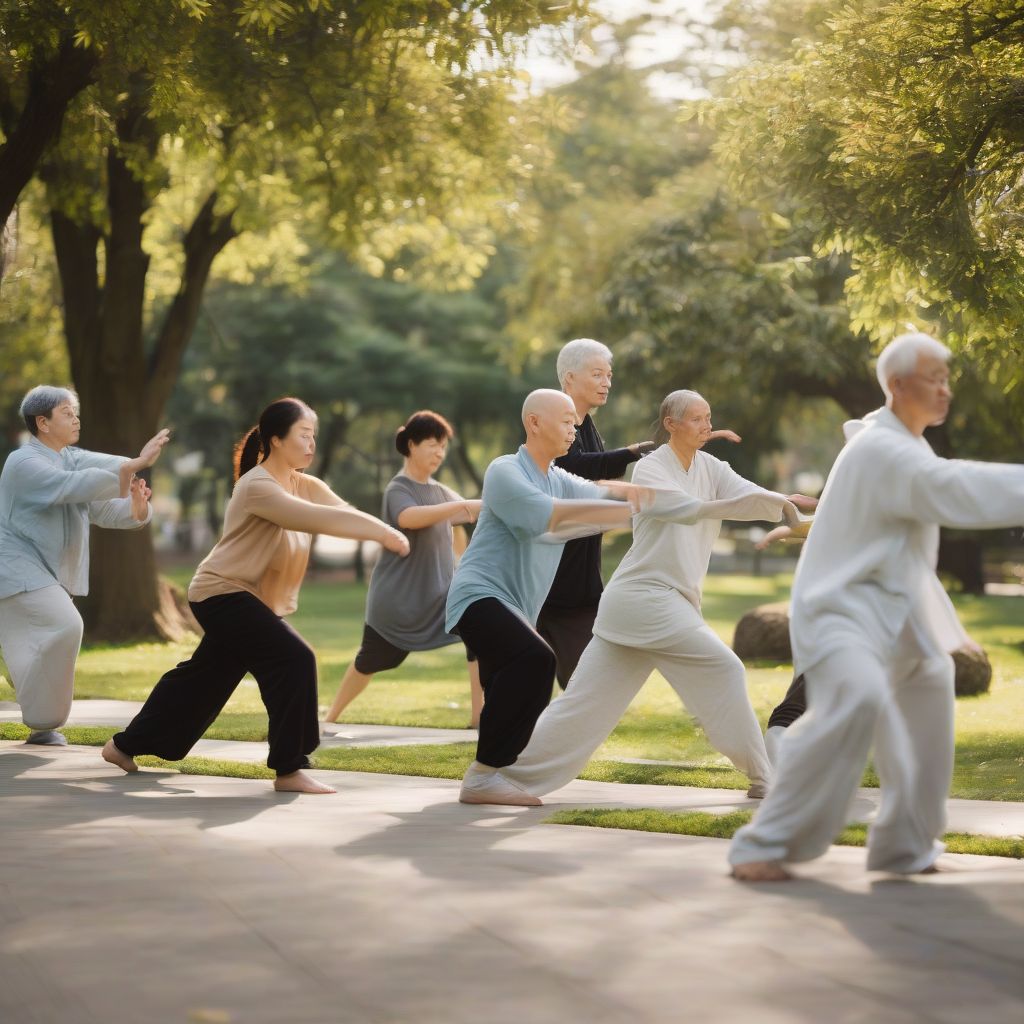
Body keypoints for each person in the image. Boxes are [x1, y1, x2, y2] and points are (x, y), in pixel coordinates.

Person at [729, 333, 1024, 881]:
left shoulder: (899, 440)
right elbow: (957, 487)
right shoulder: (885, 449)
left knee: (927, 720)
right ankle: (765, 842)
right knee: (856, 701)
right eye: (933, 378)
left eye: (946, 377)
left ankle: (903, 847)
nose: (945, 389)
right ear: (896, 385)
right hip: (843, 612)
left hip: (899, 615)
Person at [491, 389, 813, 804]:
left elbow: (750, 496)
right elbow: (683, 508)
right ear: (671, 424)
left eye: (708, 417)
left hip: (645, 607)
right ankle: (764, 777)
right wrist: (773, 506)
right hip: (645, 599)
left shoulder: (712, 467)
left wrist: (788, 504)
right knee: (724, 669)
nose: (706, 426)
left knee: (582, 707)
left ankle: (506, 776)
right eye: (696, 418)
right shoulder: (649, 469)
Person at [102, 398, 410, 795]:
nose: (311, 443)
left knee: (203, 680)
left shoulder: (303, 483)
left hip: (247, 600)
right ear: (277, 440)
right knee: (294, 658)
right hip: (222, 593)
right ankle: (289, 767)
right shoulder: (258, 485)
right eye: (303, 435)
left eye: (314, 436)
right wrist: (384, 534)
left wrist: (382, 533)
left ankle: (124, 745)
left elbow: (340, 511)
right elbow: (318, 519)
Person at [0, 386, 167, 745]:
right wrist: (133, 465)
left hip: (49, 574)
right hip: (14, 565)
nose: (76, 418)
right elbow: (71, 486)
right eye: (66, 412)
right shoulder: (23, 462)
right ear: (42, 422)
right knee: (66, 625)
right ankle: (43, 717)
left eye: (76, 411)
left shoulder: (70, 458)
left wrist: (137, 506)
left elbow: (103, 505)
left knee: (49, 636)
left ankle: (39, 717)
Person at [322, 410, 483, 727]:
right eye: (433, 444)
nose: (440, 452)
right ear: (411, 444)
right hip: (399, 601)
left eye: (443, 446)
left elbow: (464, 517)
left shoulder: (439, 491)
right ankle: (330, 718)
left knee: (478, 631)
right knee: (372, 660)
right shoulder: (399, 488)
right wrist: (460, 507)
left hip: (439, 597)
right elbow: (408, 518)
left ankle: (480, 719)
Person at [536, 339, 654, 689]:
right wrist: (632, 452)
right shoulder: (552, 420)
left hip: (580, 579)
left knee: (583, 678)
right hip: (548, 583)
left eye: (609, 375)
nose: (607, 382)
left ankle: (543, 739)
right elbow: (570, 468)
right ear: (569, 379)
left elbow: (596, 474)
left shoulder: (586, 426)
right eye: (598, 374)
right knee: (575, 680)